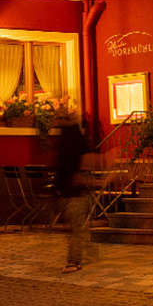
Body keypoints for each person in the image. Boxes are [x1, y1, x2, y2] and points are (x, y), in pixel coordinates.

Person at [54, 112, 97, 273]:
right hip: (70, 191)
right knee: (76, 228)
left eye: (63, 118)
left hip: (74, 192)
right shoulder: (75, 140)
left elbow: (83, 163)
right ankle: (89, 252)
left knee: (76, 229)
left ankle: (74, 260)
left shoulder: (74, 141)